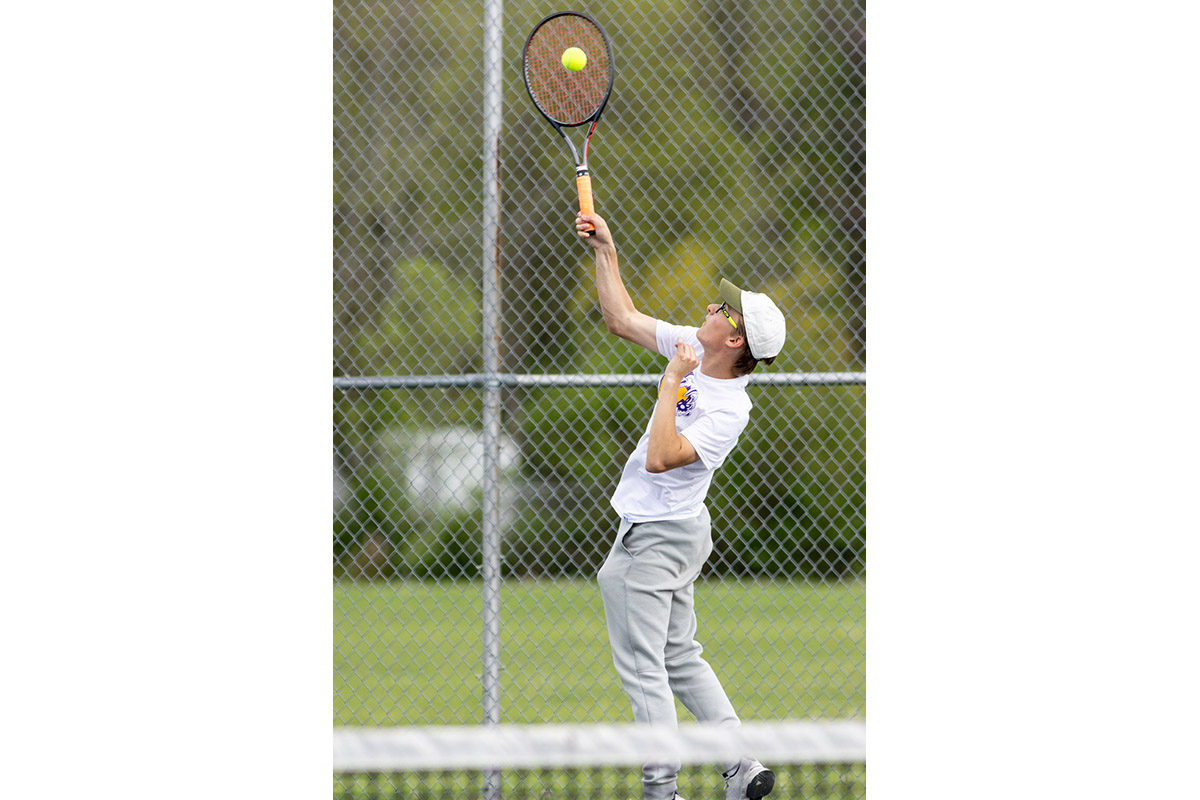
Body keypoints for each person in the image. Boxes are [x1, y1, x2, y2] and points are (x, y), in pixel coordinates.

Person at [576, 211, 786, 800]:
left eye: (726, 312)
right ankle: (740, 766)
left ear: (736, 341)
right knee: (678, 655)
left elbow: (662, 456)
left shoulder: (728, 408)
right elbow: (621, 320)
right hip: (672, 531)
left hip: (661, 537)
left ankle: (660, 789)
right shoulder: (695, 346)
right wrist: (606, 253)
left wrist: (671, 381)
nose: (714, 309)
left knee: (645, 667)